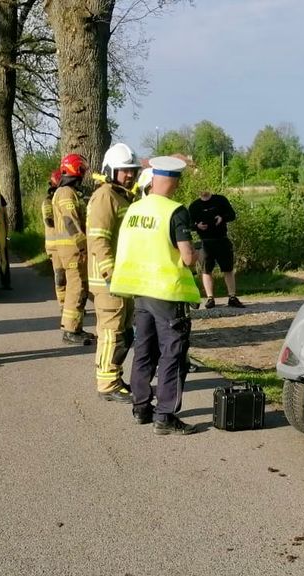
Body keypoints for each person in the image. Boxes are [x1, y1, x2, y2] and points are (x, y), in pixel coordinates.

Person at [110, 156, 203, 435]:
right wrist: (197, 254)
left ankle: (141, 408)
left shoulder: (134, 210)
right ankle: (165, 415)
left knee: (144, 352)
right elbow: (186, 257)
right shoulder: (175, 211)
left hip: (140, 291)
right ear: (174, 182)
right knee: (173, 354)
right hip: (167, 293)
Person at [86, 143, 141, 403]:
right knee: (112, 332)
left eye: (132, 171)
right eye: (124, 171)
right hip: (109, 280)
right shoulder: (105, 195)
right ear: (111, 170)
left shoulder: (121, 195)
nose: (129, 175)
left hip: (123, 278)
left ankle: (114, 376)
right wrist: (110, 273)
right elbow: (98, 239)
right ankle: (107, 383)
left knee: (123, 331)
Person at [52, 153, 95, 345]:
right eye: (83, 170)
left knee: (76, 288)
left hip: (68, 249)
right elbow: (70, 221)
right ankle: (70, 330)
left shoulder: (63, 192)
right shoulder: (66, 193)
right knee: (76, 289)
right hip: (73, 250)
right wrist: (83, 244)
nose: (84, 174)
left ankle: (73, 327)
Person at [188, 190, 243, 309]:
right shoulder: (194, 206)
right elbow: (188, 224)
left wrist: (222, 218)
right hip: (205, 242)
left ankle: (232, 297)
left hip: (222, 239)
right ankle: (210, 298)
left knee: (228, 268)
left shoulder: (221, 200)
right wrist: (197, 226)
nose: (203, 191)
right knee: (206, 270)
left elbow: (232, 215)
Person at [41, 169, 66, 309]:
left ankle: (72, 304)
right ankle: (63, 304)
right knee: (60, 277)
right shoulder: (48, 202)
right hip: (55, 247)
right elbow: (49, 220)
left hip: (68, 245)